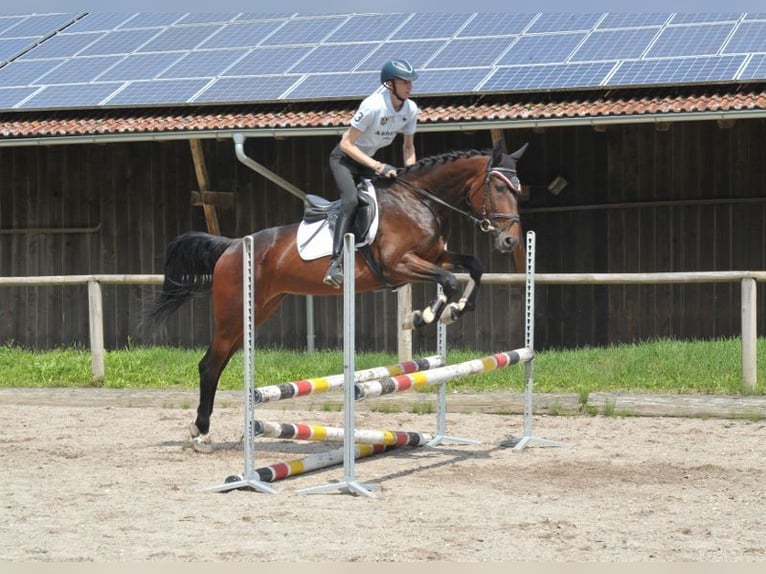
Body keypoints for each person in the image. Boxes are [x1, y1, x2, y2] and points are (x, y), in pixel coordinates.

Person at [323, 58, 420, 288]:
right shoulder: (373, 105)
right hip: (345, 160)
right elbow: (346, 143)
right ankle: (334, 263)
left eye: (410, 81)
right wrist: (377, 166)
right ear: (390, 84)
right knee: (351, 202)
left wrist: (410, 175)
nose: (410, 86)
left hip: (367, 161)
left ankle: (388, 261)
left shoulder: (411, 110)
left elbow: (408, 148)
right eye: (404, 81)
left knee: (392, 200)